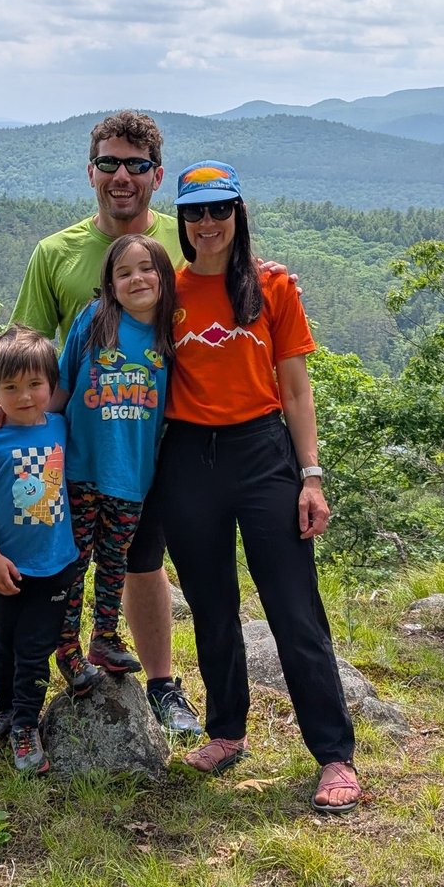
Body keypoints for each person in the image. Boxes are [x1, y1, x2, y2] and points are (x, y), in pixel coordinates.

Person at [0, 111, 204, 736]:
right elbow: (23, 342)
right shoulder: (56, 252)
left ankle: (161, 686)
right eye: (109, 163)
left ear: (156, 176)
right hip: (65, 443)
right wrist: (4, 407)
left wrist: (273, 282)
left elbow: (227, 274)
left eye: (136, 166)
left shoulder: (181, 239)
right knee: (4, 544)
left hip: (149, 439)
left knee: (141, 557)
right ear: (91, 172)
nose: (121, 176)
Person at [150, 160, 361, 814]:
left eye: (219, 209)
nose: (207, 222)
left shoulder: (272, 286)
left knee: (294, 608)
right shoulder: (167, 290)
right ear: (182, 221)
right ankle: (227, 732)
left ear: (238, 214)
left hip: (262, 451)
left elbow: (296, 389)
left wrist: (312, 477)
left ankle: (334, 756)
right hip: (187, 456)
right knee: (212, 606)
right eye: (195, 212)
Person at [46, 233, 178, 696]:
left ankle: (104, 638)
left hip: (132, 477)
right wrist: (29, 433)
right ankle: (66, 648)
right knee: (73, 561)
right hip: (80, 470)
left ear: (165, 278)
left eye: (147, 269)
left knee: (115, 560)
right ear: (109, 282)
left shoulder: (169, 335)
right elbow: (61, 388)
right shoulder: (94, 321)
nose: (136, 278)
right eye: (123, 272)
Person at [0, 325, 81, 773]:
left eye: (35, 385)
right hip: (2, 568)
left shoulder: (61, 427)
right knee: (2, 643)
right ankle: (5, 709)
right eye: (10, 388)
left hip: (54, 567)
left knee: (33, 650)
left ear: (51, 385)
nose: (25, 396)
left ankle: (27, 726)